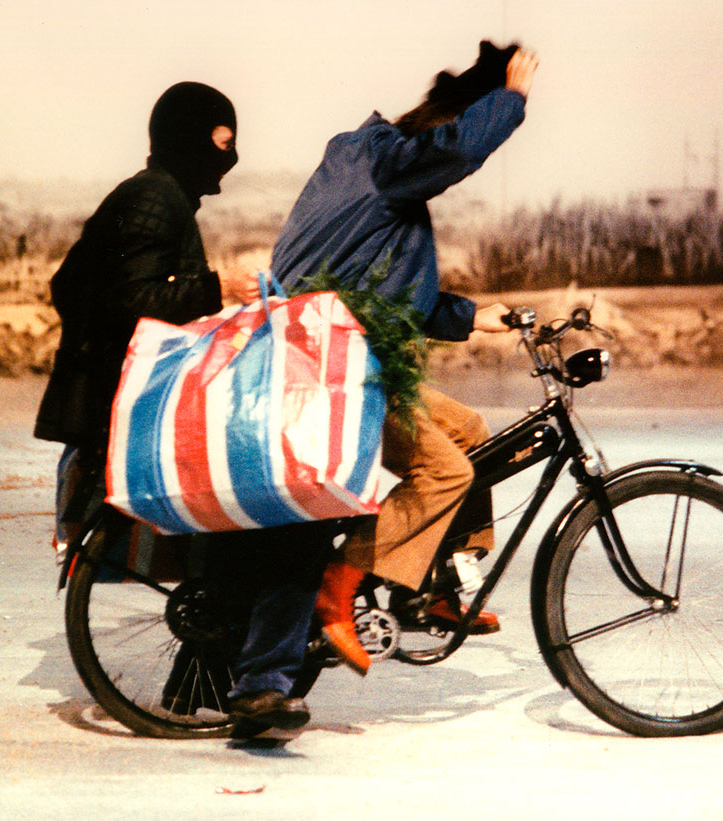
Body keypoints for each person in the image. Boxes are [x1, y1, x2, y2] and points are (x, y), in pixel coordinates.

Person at [34, 81, 323, 733]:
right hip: (131, 415)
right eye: (222, 143)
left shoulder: (156, 198)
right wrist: (214, 288)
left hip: (124, 406)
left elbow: (70, 283)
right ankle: (251, 682)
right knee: (260, 507)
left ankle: (208, 682)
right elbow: (129, 297)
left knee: (227, 522)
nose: (232, 158)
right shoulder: (154, 200)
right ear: (189, 140)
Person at [272, 42, 538, 674]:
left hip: (334, 352)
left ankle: (437, 589)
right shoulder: (386, 165)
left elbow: (387, 290)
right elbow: (456, 152)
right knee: (448, 473)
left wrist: (474, 317)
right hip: (337, 373)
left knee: (471, 434)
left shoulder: (363, 165)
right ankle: (336, 590)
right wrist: (511, 100)